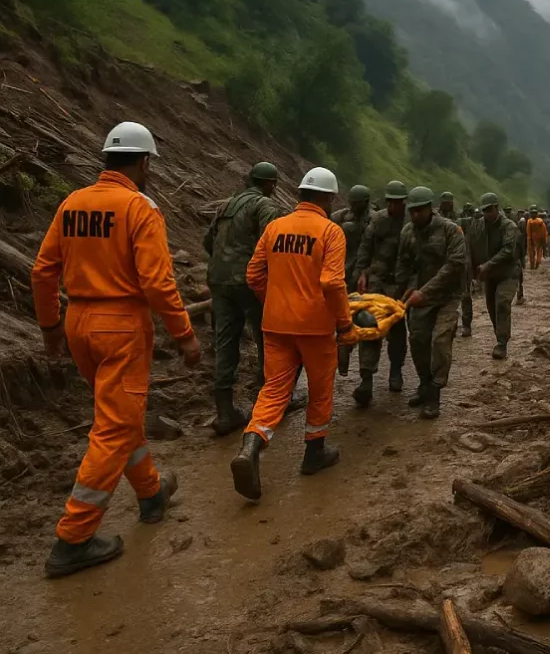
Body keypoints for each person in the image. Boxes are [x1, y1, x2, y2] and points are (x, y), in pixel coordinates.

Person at [32, 121, 196, 577]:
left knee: (120, 417)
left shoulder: (73, 203)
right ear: (144, 162)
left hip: (79, 322)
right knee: (113, 429)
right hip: (120, 326)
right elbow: (158, 283)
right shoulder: (139, 209)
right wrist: (184, 334)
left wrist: (50, 326)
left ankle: (151, 494)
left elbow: (43, 271)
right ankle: (73, 538)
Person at [231, 167, 351, 501]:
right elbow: (331, 282)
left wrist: (274, 302)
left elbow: (253, 275)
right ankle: (314, 454)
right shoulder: (330, 232)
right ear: (327, 197)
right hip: (315, 327)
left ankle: (252, 442)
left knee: (274, 389)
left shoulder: (275, 227)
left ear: (300, 194)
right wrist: (343, 322)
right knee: (320, 388)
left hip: (276, 325)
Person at [204, 162, 283, 436]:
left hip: (218, 279)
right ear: (270, 184)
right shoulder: (264, 206)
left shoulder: (226, 205)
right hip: (249, 280)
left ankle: (225, 411)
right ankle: (269, 402)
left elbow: (207, 241)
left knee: (225, 341)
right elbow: (272, 242)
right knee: (268, 337)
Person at [395, 187, 467, 418]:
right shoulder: (407, 232)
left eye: (419, 210)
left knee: (440, 340)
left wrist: (424, 291)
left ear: (430, 208)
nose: (415, 215)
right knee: (417, 339)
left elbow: (454, 265)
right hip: (419, 297)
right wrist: (405, 287)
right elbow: (404, 264)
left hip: (446, 296)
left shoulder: (450, 230)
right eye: (412, 211)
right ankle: (424, 384)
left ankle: (434, 393)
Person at [351, 180, 409, 406]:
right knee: (368, 327)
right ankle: (366, 379)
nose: (396, 206)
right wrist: (360, 275)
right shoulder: (377, 221)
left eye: (399, 201)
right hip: (376, 281)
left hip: (399, 284)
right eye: (392, 202)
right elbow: (364, 250)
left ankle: (396, 370)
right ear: (387, 202)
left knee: (396, 330)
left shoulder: (409, 222)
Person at [470, 193, 521, 359]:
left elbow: (508, 250)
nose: (487, 213)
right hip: (489, 275)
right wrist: (472, 272)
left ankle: (501, 343)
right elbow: (471, 246)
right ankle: (499, 335)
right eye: (484, 210)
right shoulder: (478, 226)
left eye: (489, 210)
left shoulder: (509, 226)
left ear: (496, 208)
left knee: (502, 303)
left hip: (508, 273)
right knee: (491, 308)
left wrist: (488, 265)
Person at [329, 184, 372, 377]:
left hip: (363, 275)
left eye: (357, 203)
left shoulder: (372, 220)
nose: (354, 206)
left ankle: (349, 349)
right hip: (346, 274)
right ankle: (345, 347)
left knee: (360, 318)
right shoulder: (340, 218)